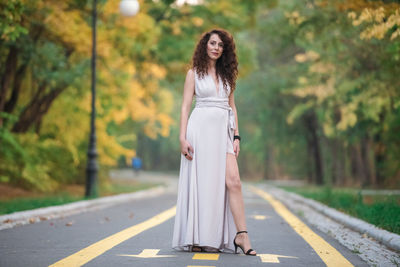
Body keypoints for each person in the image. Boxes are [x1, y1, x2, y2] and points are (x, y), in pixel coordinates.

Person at [172, 29, 256, 256]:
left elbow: (232, 107)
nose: (216, 48)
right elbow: (185, 106)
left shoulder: (228, 76)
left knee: (234, 181)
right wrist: (182, 137)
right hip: (199, 130)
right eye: (213, 43)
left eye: (221, 45)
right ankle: (200, 237)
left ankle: (242, 234)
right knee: (204, 184)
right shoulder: (193, 74)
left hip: (223, 133)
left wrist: (236, 136)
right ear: (205, 45)